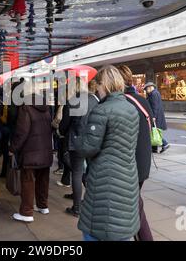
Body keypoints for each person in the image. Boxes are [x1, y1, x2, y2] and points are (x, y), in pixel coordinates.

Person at [75, 65, 140, 241]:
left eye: (98, 85)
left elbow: (89, 148)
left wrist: (77, 140)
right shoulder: (131, 109)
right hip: (128, 176)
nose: (97, 88)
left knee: (95, 227)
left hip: (104, 178)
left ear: (104, 84)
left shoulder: (102, 110)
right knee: (121, 226)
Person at [118, 65, 154, 241]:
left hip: (129, 164)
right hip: (143, 162)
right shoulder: (141, 100)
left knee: (132, 206)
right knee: (133, 204)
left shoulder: (121, 103)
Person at [9, 84, 53, 223]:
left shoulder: (26, 107)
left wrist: (13, 148)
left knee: (27, 180)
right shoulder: (45, 107)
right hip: (45, 150)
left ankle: (27, 212)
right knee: (43, 179)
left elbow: (22, 132)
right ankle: (43, 205)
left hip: (30, 152)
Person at [64, 79, 100, 217]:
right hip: (93, 142)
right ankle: (91, 202)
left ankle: (77, 207)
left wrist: (62, 132)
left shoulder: (74, 100)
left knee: (77, 174)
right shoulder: (96, 101)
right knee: (91, 173)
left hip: (76, 142)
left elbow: (65, 124)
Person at [144, 82, 169, 153]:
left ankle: (165, 144)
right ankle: (154, 148)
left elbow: (155, 106)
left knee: (155, 131)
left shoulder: (154, 94)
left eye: (146, 89)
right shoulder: (153, 93)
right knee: (153, 131)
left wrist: (154, 116)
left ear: (150, 87)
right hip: (156, 116)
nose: (146, 91)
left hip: (155, 116)